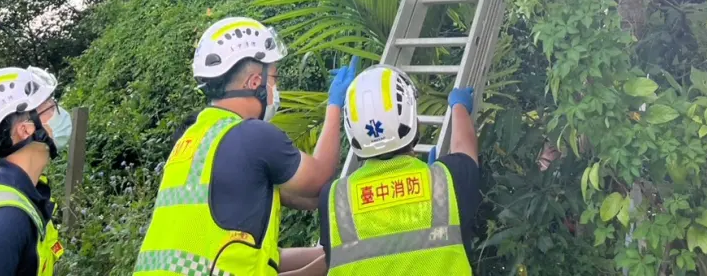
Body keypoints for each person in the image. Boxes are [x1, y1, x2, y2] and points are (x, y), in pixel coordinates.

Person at [134, 16, 358, 276]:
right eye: (274, 77)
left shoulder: (191, 139)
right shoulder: (252, 136)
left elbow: (261, 257)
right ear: (254, 82)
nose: (276, 87)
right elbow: (318, 181)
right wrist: (335, 106)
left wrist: (325, 257)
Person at [319, 66, 480, 274]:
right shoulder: (448, 180)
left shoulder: (333, 200)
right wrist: (458, 106)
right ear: (412, 119)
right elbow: (465, 150)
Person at [0, 65, 73, 276]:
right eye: (49, 107)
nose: (59, 113)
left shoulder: (26, 196)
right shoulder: (3, 221)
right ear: (26, 129)